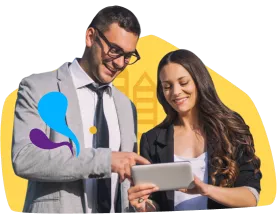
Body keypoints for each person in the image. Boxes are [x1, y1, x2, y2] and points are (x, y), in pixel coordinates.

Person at [11, 5, 150, 214]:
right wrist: (104, 160)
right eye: (115, 50)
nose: (120, 63)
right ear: (90, 37)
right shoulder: (38, 87)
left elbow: (123, 176)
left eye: (128, 56)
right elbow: (25, 158)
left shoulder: (126, 106)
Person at [127, 49, 262, 211]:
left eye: (183, 83)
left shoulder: (230, 127)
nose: (176, 92)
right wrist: (143, 206)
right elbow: (154, 202)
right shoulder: (152, 139)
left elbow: (250, 196)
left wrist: (206, 190)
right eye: (167, 86)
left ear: (199, 81)